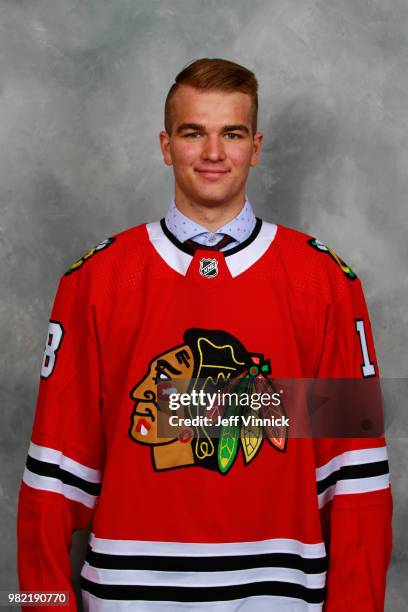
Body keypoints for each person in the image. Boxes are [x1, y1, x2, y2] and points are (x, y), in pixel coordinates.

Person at [18, 58, 392, 611]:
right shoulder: (94, 282)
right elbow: (51, 486)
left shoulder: (326, 283)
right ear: (166, 145)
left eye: (231, 134)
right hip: (127, 599)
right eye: (194, 133)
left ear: (256, 146)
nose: (213, 153)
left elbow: (356, 480)